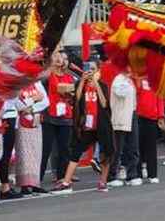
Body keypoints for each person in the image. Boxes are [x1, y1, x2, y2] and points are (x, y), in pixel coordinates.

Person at [56, 62, 113, 192]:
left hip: (101, 125)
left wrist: (96, 84)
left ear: (98, 71)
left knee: (106, 152)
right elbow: (77, 98)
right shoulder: (81, 84)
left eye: (93, 69)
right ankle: (66, 182)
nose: (90, 72)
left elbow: (104, 103)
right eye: (88, 69)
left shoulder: (103, 85)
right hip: (86, 125)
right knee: (76, 151)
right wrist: (82, 81)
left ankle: (103, 181)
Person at [39, 50, 75, 185]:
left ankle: (62, 177)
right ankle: (38, 178)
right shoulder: (47, 76)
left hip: (65, 116)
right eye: (56, 56)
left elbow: (73, 94)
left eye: (62, 57)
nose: (60, 59)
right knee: (45, 148)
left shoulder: (69, 76)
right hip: (49, 116)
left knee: (64, 149)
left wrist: (71, 96)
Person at [9, 81, 49, 196]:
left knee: (37, 152)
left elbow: (45, 100)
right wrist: (34, 99)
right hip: (21, 123)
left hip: (35, 120)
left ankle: (35, 184)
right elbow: (18, 104)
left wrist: (32, 108)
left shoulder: (36, 83)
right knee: (24, 154)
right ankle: (24, 185)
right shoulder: (16, 83)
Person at [106, 69, 137, 187]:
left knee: (133, 146)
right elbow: (121, 93)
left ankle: (132, 175)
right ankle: (112, 175)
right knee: (117, 148)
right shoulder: (118, 80)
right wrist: (130, 81)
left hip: (132, 114)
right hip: (120, 117)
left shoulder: (130, 80)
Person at [134, 73, 164, 185]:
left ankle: (153, 174)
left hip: (152, 117)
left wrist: (161, 116)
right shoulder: (137, 77)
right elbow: (135, 93)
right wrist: (138, 80)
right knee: (138, 146)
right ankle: (138, 174)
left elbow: (159, 98)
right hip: (139, 117)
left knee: (151, 148)